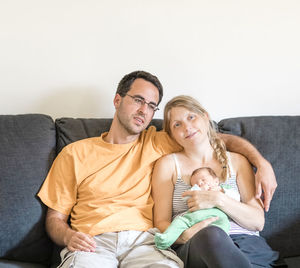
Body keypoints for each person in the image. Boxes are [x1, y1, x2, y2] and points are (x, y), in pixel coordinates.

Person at [38, 71, 277, 268]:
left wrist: (261, 163)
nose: (144, 110)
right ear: (118, 100)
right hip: (94, 243)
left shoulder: (159, 141)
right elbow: (55, 218)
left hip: (146, 243)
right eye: (138, 100)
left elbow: (215, 138)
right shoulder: (74, 153)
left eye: (152, 105)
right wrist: (68, 236)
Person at [152, 95, 279, 268]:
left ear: (205, 117)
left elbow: (257, 222)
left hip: (246, 244)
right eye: (177, 124)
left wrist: (218, 200)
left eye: (191, 117)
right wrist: (184, 235)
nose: (187, 127)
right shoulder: (167, 165)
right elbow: (160, 221)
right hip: (197, 244)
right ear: (172, 135)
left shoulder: (237, 161)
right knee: (212, 234)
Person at [155, 167, 233, 250]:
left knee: (224, 226)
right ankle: (166, 239)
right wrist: (198, 190)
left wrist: (221, 192)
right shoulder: (195, 190)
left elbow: (234, 199)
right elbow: (186, 198)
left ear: (216, 181)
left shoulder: (224, 189)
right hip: (194, 217)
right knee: (179, 221)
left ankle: (225, 244)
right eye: (195, 184)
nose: (199, 183)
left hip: (217, 217)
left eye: (203, 180)